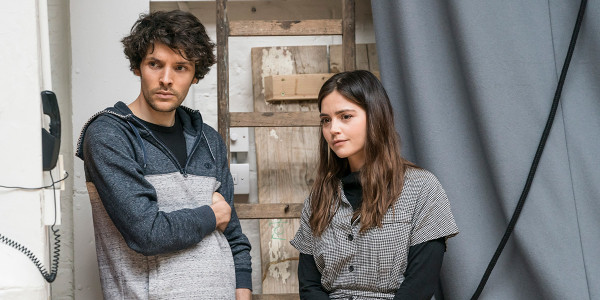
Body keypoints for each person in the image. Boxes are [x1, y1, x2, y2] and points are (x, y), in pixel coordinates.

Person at [75, 10, 252, 299]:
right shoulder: (109, 135)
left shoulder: (209, 140)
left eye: (180, 67)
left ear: (196, 75)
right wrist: (211, 214)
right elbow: (146, 232)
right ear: (137, 67)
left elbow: (232, 234)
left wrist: (243, 290)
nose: (166, 79)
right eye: (155, 64)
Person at [290, 70, 459, 300]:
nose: (333, 129)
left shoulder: (422, 189)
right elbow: (309, 287)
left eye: (345, 116)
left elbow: (419, 287)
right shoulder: (319, 197)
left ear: (375, 116)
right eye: (326, 120)